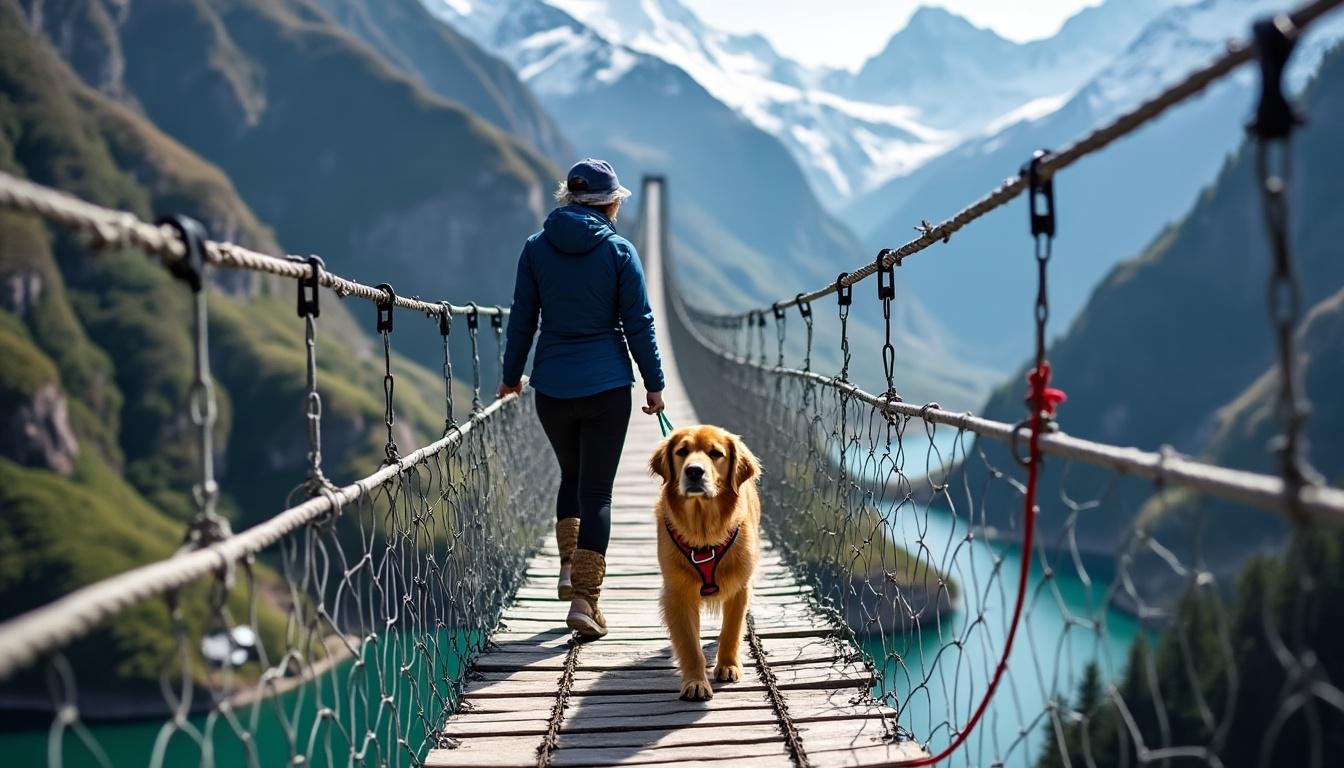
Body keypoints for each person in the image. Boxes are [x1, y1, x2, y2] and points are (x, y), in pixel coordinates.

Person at [498, 158, 666, 639]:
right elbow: (639, 322)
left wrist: (512, 377)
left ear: (567, 198)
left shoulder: (535, 249)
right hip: (607, 387)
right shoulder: (619, 251)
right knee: (597, 492)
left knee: (571, 475)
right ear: (612, 203)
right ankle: (585, 601)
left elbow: (523, 321)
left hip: (551, 388)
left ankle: (569, 568)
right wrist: (654, 383)